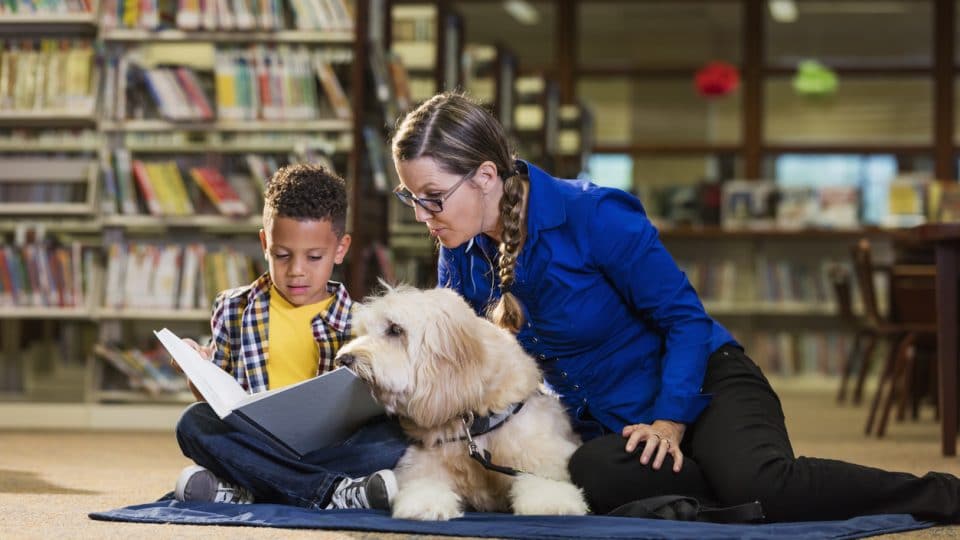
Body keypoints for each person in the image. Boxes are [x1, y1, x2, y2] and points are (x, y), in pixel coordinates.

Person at [388, 92, 960, 523]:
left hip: (702, 385)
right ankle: (721, 488)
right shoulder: (457, 251)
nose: (423, 215)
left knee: (767, 484)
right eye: (412, 199)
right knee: (586, 473)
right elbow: (463, 354)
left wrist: (669, 422)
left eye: (432, 198)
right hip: (611, 424)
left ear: (486, 176)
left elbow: (684, 320)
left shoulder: (595, 216)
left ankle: (939, 494)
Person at [173, 163, 407, 511]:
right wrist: (198, 371)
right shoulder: (233, 308)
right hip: (258, 443)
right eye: (282, 255)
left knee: (396, 437)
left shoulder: (362, 322)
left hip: (330, 447)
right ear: (265, 243)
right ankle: (334, 492)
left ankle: (251, 486)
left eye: (314, 257)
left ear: (340, 249)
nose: (297, 270)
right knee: (193, 423)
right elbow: (217, 403)